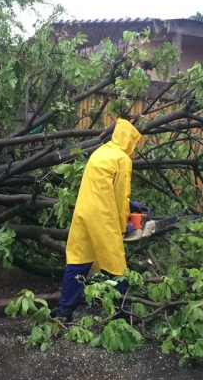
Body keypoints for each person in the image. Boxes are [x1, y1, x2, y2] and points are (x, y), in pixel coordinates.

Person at [51, 118, 143, 321]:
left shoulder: (100, 152)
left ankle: (64, 312)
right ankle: (122, 317)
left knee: (78, 261)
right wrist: (122, 227)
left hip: (84, 213)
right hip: (103, 215)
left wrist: (133, 204)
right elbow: (120, 197)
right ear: (128, 140)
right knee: (116, 265)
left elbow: (102, 187)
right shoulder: (122, 159)